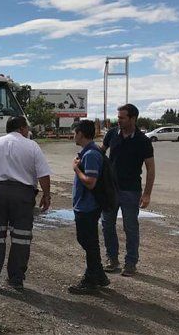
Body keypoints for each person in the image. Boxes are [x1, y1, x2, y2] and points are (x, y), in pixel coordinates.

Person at [0, 116, 52, 290]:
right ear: (22, 128)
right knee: (21, 239)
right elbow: (43, 174)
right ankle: (16, 280)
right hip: (23, 196)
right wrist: (46, 195)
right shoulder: (32, 146)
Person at [100, 104, 155, 277]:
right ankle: (112, 259)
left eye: (122, 117)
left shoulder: (142, 141)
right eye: (118, 117)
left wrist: (147, 194)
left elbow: (150, 168)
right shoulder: (112, 134)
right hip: (110, 189)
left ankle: (131, 263)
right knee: (107, 224)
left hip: (131, 191)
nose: (119, 120)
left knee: (130, 227)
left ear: (133, 119)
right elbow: (101, 151)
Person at [68, 120, 110, 294]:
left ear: (81, 133)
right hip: (84, 206)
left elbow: (91, 183)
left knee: (88, 242)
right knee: (87, 241)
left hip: (88, 206)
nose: (73, 135)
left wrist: (76, 169)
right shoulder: (87, 152)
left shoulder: (91, 154)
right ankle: (99, 275)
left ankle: (90, 280)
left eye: (75, 132)